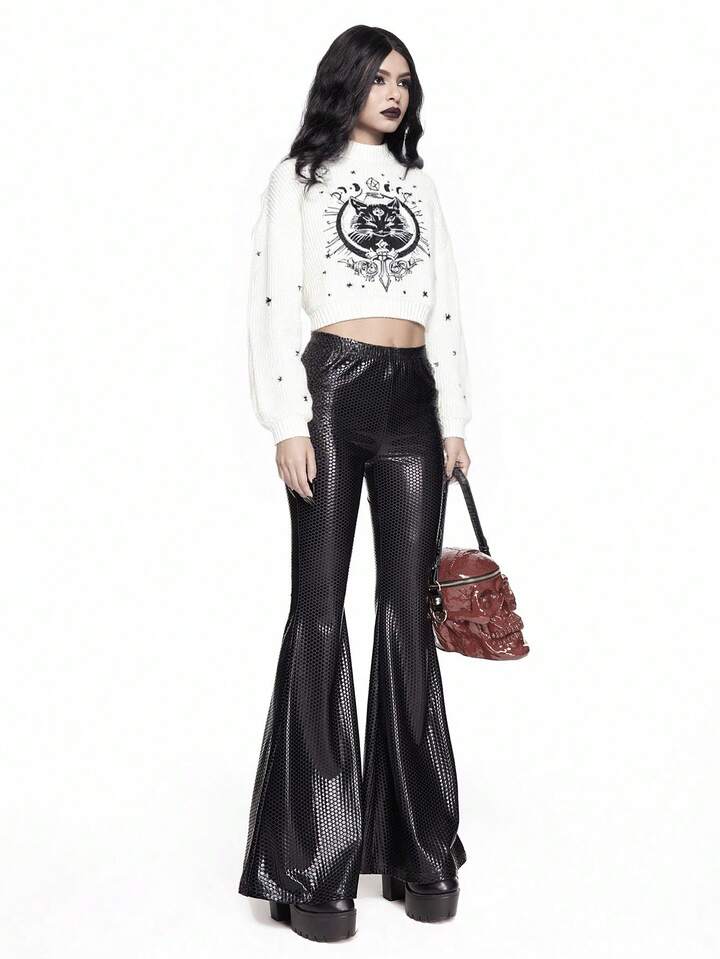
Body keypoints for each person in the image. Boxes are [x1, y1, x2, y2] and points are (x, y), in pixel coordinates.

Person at [238, 25, 473, 943]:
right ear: (346, 84)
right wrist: (287, 422)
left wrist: (455, 419)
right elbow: (270, 301)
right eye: (378, 77)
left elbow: (446, 303)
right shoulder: (297, 178)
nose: (394, 91)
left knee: (409, 613)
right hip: (332, 392)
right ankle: (313, 859)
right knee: (321, 611)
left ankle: (419, 847)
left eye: (404, 78)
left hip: (414, 397)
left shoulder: (418, 181)